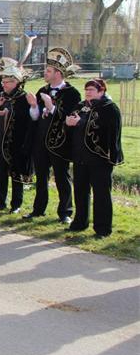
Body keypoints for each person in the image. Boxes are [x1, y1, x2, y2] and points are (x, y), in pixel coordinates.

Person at [24, 47, 81, 224]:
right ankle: (38, 209)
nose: (45, 73)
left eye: (48, 71)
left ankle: (65, 212)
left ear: (58, 73)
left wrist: (52, 107)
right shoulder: (43, 90)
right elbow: (35, 118)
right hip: (41, 141)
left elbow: (70, 118)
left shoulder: (72, 93)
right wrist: (34, 106)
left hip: (60, 142)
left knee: (62, 177)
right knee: (41, 178)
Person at [65, 78, 123, 237]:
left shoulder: (109, 108)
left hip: (100, 157)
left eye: (91, 90)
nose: (87, 93)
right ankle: (80, 222)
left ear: (101, 91)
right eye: (86, 89)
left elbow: (108, 130)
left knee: (101, 194)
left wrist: (81, 123)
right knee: (80, 191)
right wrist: (69, 123)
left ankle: (103, 229)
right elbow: (73, 123)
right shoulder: (81, 106)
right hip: (80, 156)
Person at [0, 64, 33, 214]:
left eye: (7, 82)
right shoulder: (0, 96)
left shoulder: (23, 98)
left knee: (16, 174)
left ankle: (16, 204)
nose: (4, 84)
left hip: (15, 142)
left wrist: (9, 113)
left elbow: (26, 119)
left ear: (16, 82)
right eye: (3, 81)